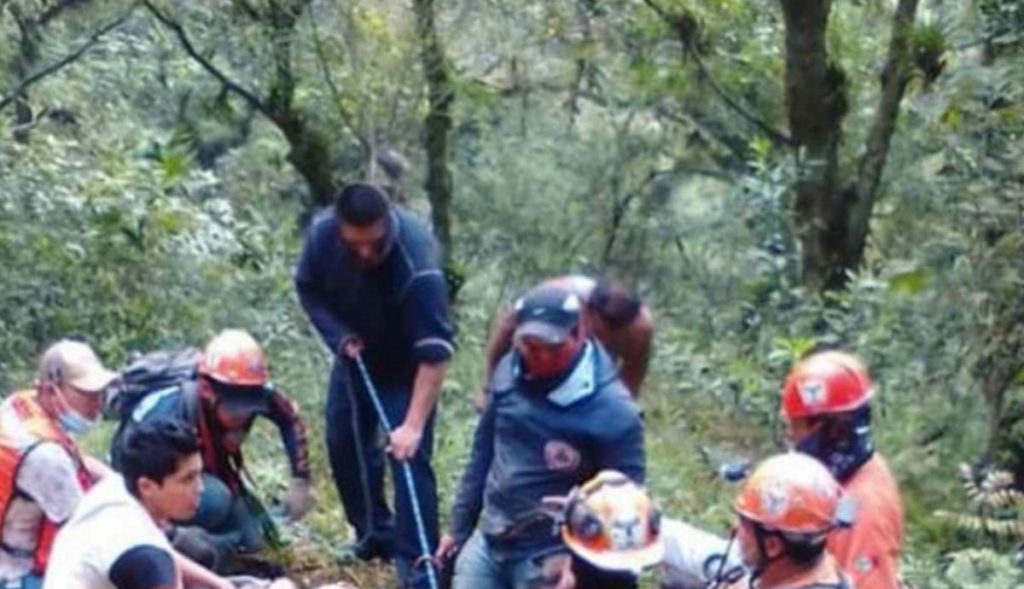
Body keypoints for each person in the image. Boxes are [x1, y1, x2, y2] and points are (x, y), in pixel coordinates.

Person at [294, 183, 455, 588]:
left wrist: (413, 426)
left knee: (408, 457)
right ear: (340, 228)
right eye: (355, 245)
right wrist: (339, 335)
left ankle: (419, 563)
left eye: (375, 244)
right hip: (355, 355)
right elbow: (308, 289)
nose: (365, 253)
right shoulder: (322, 237)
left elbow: (435, 356)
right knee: (344, 443)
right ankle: (372, 534)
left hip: (407, 367)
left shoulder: (418, 266)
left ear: (388, 223)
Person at [436, 284, 646, 589]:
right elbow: (482, 454)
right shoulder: (509, 372)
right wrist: (458, 528)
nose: (540, 356)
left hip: (554, 553)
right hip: (493, 537)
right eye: (531, 345)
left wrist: (581, 570)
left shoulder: (613, 412)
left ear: (578, 334)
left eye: (553, 347)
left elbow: (626, 508)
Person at [111, 330, 313, 571]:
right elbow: (138, 482)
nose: (243, 417)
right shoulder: (167, 411)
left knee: (255, 540)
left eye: (249, 410)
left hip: (206, 473)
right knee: (217, 499)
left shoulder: (255, 391)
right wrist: (168, 531)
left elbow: (289, 419)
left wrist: (301, 479)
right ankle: (187, 545)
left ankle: (217, 546)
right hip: (152, 484)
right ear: (208, 391)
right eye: (235, 410)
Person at [558, 454, 852, 589]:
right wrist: (624, 516)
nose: (736, 531)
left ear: (773, 544)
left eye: (745, 525)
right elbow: (696, 550)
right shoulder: (794, 568)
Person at [43, 419, 236, 589]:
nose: (200, 488)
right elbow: (153, 557)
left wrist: (218, 583)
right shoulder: (147, 556)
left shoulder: (116, 488)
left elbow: (160, 550)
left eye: (198, 475)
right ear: (147, 486)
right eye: (188, 479)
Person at [0, 339, 118, 589]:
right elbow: (90, 533)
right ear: (52, 390)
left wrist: (116, 482)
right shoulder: (46, 457)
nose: (97, 404)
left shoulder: (19, 408)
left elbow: (76, 458)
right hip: (18, 575)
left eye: (100, 394)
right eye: (87, 395)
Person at [781, 350, 904, 589]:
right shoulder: (857, 470)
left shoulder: (863, 512)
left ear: (828, 430)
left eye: (795, 427)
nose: (792, 438)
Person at [476, 275, 652, 410]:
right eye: (599, 333)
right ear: (587, 311)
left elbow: (631, 379)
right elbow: (505, 332)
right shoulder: (555, 297)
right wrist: (488, 388)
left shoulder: (639, 329)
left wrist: (620, 415)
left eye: (612, 337)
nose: (604, 340)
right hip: (542, 365)